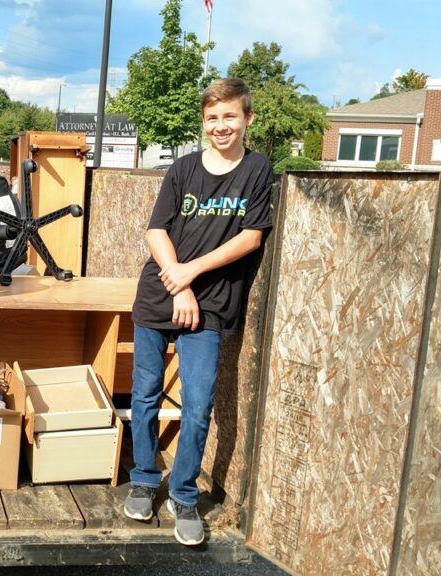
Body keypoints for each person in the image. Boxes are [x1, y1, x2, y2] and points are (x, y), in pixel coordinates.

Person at [122, 78, 272, 545]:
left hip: (211, 303)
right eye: (212, 118)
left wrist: (190, 276)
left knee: (199, 405)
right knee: (144, 394)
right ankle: (145, 479)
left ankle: (183, 494)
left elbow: (250, 238)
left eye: (230, 117)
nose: (220, 126)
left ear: (247, 119)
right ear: (203, 123)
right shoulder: (183, 169)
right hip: (159, 295)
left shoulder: (258, 170)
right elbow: (155, 232)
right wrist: (178, 281)